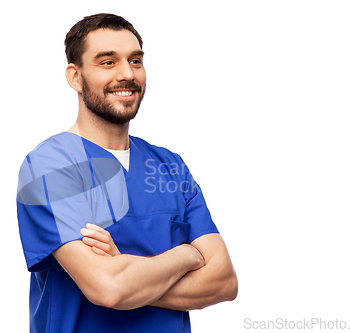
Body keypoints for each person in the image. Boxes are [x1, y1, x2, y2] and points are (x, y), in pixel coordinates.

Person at [17, 13, 237, 333]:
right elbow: (109, 288)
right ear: (75, 77)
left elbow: (225, 282)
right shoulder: (51, 167)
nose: (126, 73)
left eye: (135, 61)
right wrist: (187, 256)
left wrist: (130, 274)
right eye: (107, 62)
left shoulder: (170, 166)